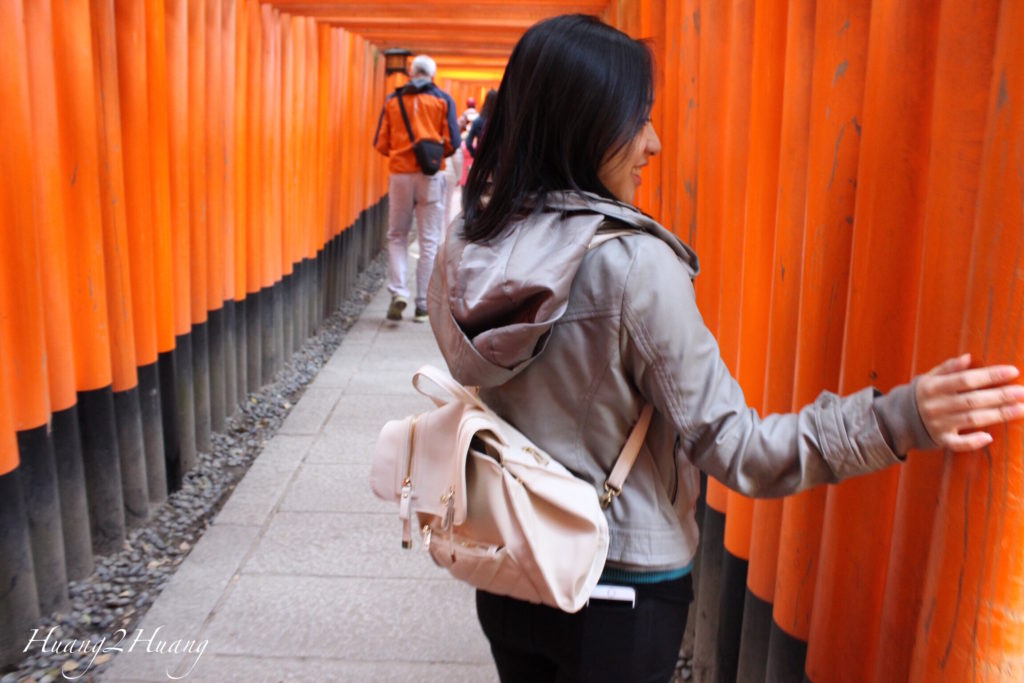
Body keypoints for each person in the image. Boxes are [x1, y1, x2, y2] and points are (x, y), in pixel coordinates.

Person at [426, 14, 1024, 683]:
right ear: (583, 123)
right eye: (637, 119)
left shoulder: (468, 244)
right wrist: (901, 416)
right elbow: (742, 452)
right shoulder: (633, 268)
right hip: (614, 588)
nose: (652, 143)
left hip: (508, 567)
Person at [373, 54, 460, 322]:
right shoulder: (443, 100)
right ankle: (422, 304)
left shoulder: (392, 100)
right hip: (430, 176)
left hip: (400, 174)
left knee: (397, 235)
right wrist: (431, 153)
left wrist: (403, 152)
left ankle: (399, 291)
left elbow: (380, 142)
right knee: (429, 240)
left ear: (411, 73)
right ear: (432, 75)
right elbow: (453, 141)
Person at [465, 89, 497, 159]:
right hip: (496, 159)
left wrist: (475, 154)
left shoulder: (478, 121)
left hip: (481, 157)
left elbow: (468, 143)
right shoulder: (500, 123)